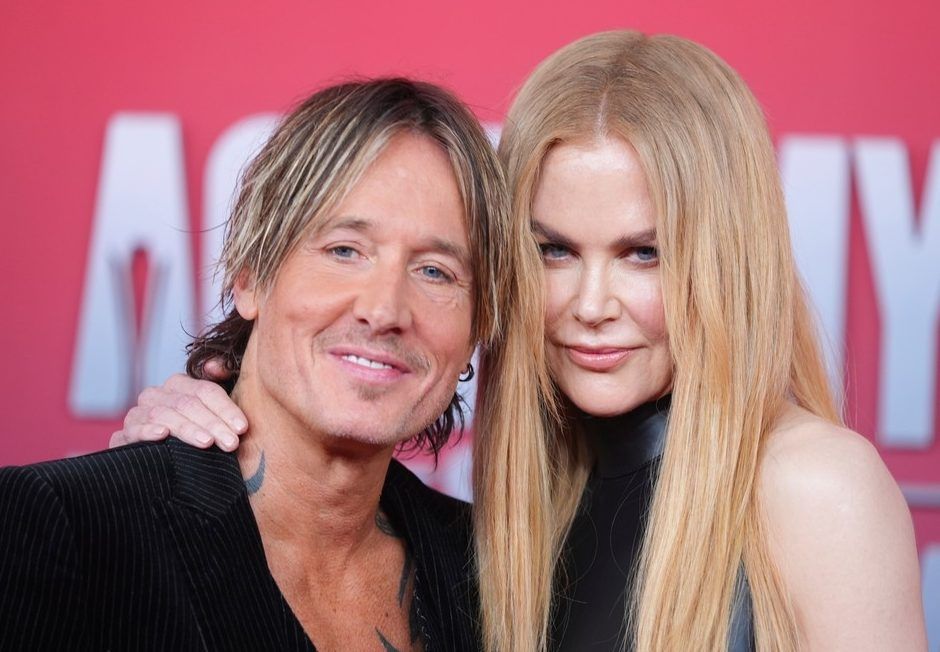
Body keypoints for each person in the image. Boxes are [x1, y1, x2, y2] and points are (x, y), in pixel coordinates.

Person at [113, 32, 927, 651]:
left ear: (727, 262)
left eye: (645, 252)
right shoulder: (511, 514)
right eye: (554, 252)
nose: (591, 305)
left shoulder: (814, 486)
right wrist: (190, 440)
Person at [0, 78, 521, 651]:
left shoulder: (494, 574)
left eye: (435, 272)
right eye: (345, 251)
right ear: (250, 274)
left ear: (478, 324)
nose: (384, 310)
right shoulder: (64, 525)